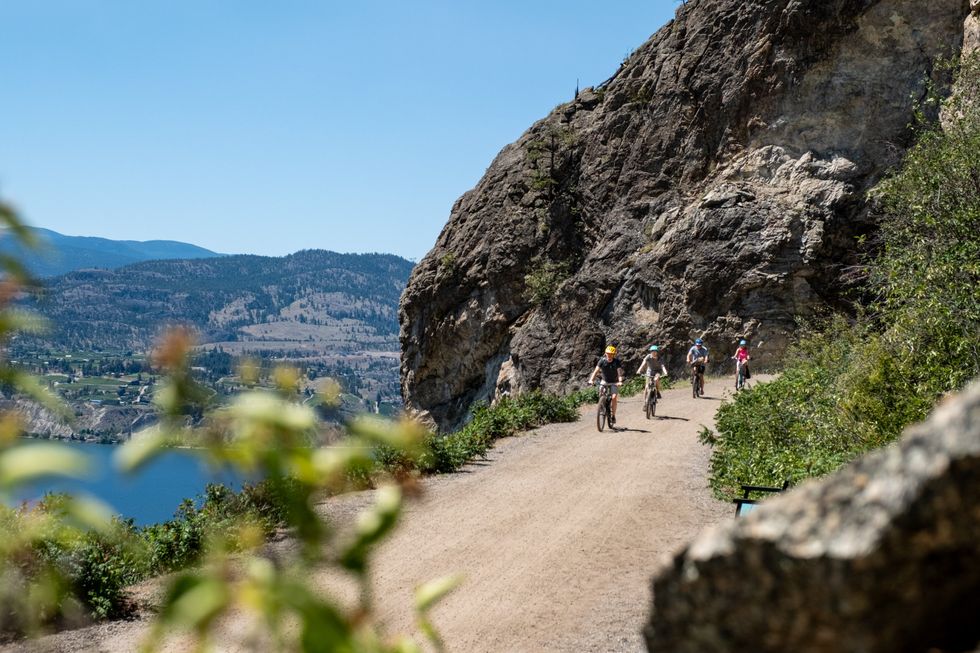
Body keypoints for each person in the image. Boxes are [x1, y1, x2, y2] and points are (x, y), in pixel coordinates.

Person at [588, 345, 624, 425]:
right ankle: (602, 406)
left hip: (614, 382)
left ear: (614, 355)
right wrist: (591, 380)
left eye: (611, 354)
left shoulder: (616, 362)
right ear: (605, 353)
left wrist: (620, 381)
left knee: (614, 397)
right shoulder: (602, 361)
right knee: (601, 391)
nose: (609, 355)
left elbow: (619, 373)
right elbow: (596, 371)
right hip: (604, 381)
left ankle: (613, 415)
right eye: (608, 353)